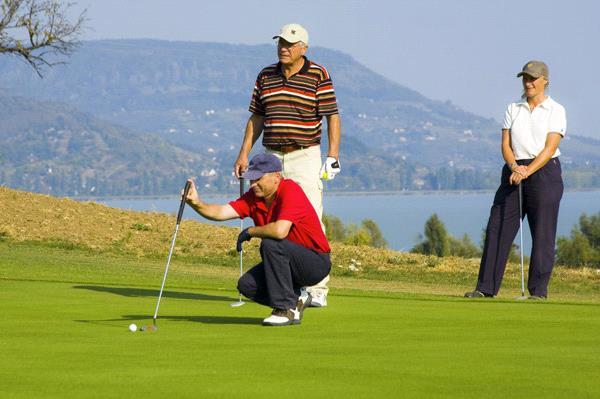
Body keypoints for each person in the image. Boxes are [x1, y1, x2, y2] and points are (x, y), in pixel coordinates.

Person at [233, 23, 341, 307]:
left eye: (290, 44)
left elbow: (332, 116)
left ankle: (317, 289)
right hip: (271, 156)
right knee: (273, 220)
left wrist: (333, 155)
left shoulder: (318, 74)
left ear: (303, 48)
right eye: (280, 43)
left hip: (304, 154)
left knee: (310, 218)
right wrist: (244, 153)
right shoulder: (266, 75)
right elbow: (256, 117)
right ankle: (286, 285)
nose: (283, 48)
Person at [186, 153, 331, 326]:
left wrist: (251, 231)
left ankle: (284, 309)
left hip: (315, 263)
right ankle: (296, 299)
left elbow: (279, 231)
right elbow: (220, 212)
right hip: (286, 263)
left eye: (258, 179)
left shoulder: (290, 190)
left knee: (270, 243)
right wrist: (196, 203)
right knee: (247, 285)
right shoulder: (253, 197)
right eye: (251, 180)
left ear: (276, 177)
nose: (253, 184)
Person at [465, 60, 566, 300]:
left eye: (533, 78)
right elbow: (505, 144)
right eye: (525, 78)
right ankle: (485, 287)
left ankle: (538, 291)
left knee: (542, 233)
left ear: (545, 81)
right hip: (513, 170)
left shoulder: (556, 110)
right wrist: (515, 167)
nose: (528, 83)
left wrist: (526, 170)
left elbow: (550, 148)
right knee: (497, 225)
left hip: (543, 173)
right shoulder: (513, 108)